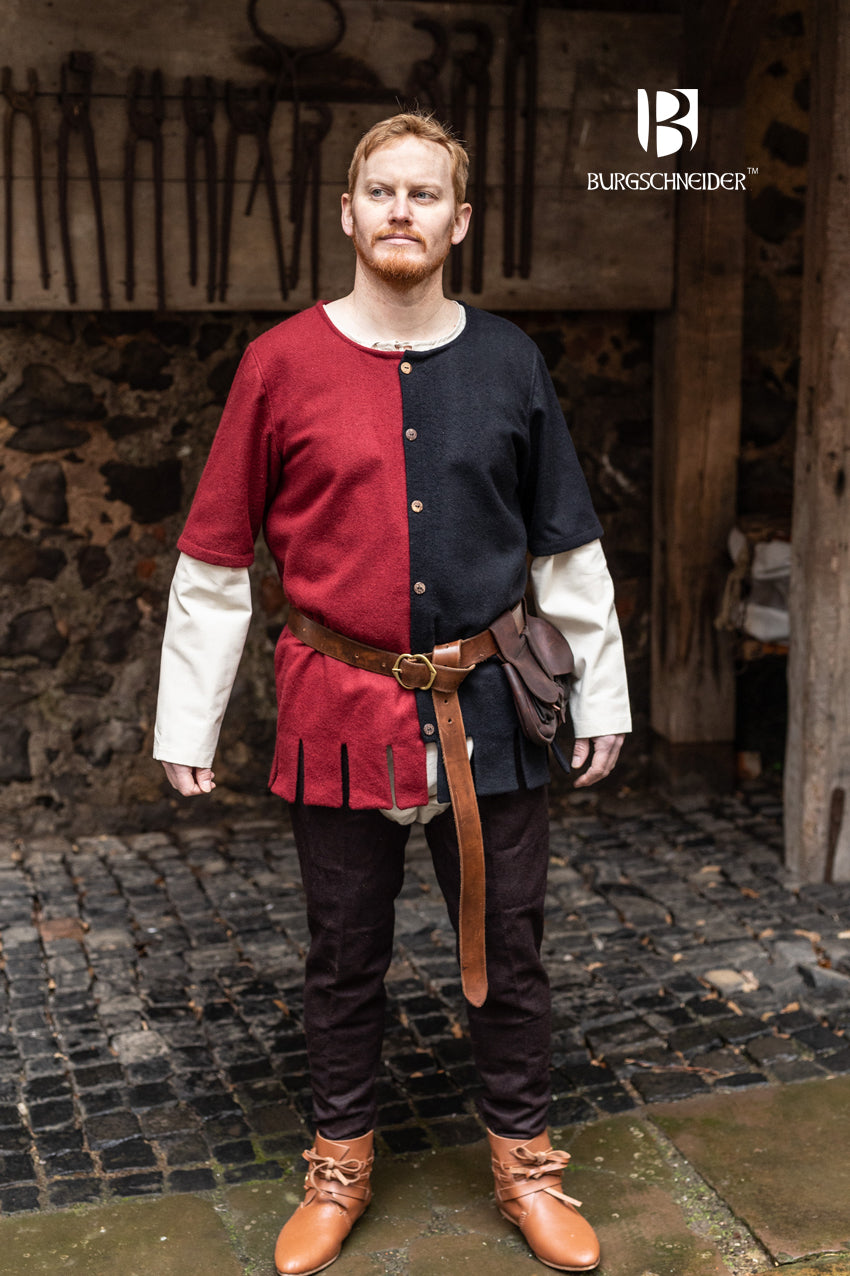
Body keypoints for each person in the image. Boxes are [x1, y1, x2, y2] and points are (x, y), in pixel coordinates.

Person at [154, 112, 630, 1275]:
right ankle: (339, 1165)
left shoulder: (511, 361)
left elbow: (566, 549)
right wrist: (186, 719)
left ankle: (525, 1165)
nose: (402, 211)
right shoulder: (278, 364)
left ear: (458, 221)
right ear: (348, 211)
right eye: (382, 191)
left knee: (509, 948)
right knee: (342, 952)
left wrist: (603, 699)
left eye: (425, 195)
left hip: (492, 710)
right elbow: (217, 560)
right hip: (338, 708)